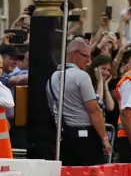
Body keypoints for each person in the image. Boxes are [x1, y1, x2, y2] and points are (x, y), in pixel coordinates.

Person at [47, 37, 112, 165]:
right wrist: (104, 138)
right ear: (74, 54)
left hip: (63, 136)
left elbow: (52, 107)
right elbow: (94, 110)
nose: (89, 61)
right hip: (85, 136)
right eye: (86, 56)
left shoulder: (52, 77)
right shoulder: (81, 76)